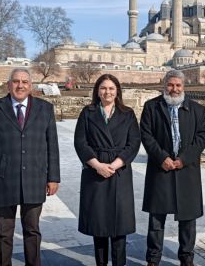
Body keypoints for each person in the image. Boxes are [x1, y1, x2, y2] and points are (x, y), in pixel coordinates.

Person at [0, 68, 60, 266]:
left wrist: (53, 177)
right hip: (4, 179)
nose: (20, 85)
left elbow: (52, 146)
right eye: (15, 81)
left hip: (34, 179)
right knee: (3, 233)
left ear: (31, 86)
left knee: (32, 231)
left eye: (24, 82)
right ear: (8, 84)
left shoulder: (45, 109)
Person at [140, 70, 205, 266]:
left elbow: (201, 137)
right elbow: (146, 135)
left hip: (186, 171)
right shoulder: (152, 107)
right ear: (164, 86)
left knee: (188, 219)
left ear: (184, 87)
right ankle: (153, 258)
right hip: (160, 169)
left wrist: (184, 159)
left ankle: (186, 258)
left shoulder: (197, 110)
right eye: (171, 85)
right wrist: (162, 157)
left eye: (178, 85)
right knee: (156, 220)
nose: (174, 89)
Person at [74, 74, 141, 266]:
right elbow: (80, 142)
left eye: (111, 88)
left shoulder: (127, 113)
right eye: (103, 88)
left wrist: (116, 164)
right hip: (95, 173)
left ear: (117, 90)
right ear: (97, 90)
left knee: (120, 227)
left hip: (119, 172)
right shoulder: (88, 112)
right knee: (100, 226)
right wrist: (97, 165)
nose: (107, 92)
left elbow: (134, 143)